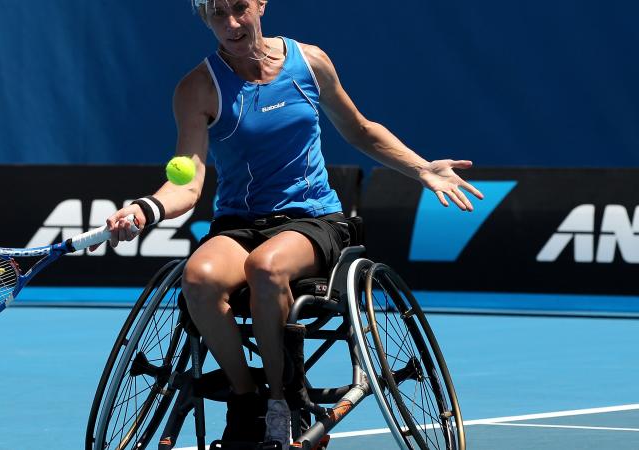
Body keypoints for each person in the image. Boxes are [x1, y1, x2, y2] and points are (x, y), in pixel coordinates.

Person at [96, 0, 484, 447]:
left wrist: (421, 169)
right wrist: (145, 208)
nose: (232, 24)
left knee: (266, 267)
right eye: (217, 15)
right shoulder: (197, 89)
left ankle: (283, 401)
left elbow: (359, 129)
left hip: (314, 218)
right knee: (198, 277)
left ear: (260, 3)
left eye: (240, 8)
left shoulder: (310, 63)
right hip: (238, 224)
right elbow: (187, 182)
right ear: (205, 20)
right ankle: (246, 400)